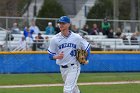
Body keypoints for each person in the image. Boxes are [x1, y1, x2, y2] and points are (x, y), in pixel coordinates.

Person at [48, 16, 90, 93]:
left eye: (63, 23)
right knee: (74, 89)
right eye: (59, 23)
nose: (60, 25)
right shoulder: (55, 39)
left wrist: (86, 59)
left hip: (74, 66)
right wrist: (56, 56)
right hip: (62, 68)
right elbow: (50, 55)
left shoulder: (76, 37)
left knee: (67, 90)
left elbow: (87, 46)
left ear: (68, 24)